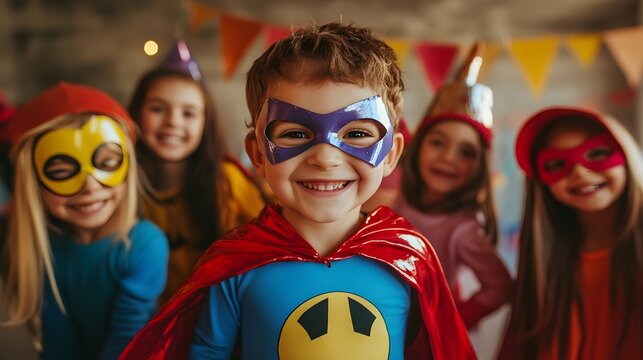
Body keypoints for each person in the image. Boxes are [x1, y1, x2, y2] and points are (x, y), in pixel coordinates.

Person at [120, 22, 475, 360]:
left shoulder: (409, 259)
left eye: (356, 134)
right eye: (294, 133)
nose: (324, 158)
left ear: (391, 154)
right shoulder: (235, 266)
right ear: (258, 154)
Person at [0, 82, 169, 359]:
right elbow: (59, 345)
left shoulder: (144, 244)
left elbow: (127, 341)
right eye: (62, 170)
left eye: (108, 163)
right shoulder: (49, 255)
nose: (90, 186)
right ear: (33, 184)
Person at [127, 40, 268, 303]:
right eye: (158, 109)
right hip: (146, 319)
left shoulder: (228, 181)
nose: (173, 122)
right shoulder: (122, 185)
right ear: (136, 114)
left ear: (206, 122)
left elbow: (265, 250)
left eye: (188, 113)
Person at [498, 107, 643, 360]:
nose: (579, 172)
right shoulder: (542, 264)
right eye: (557, 163)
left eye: (597, 153)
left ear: (627, 155)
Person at [392, 43, 511, 330]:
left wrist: (448, 321)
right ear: (418, 147)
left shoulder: (463, 228)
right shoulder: (398, 198)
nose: (448, 157)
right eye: (438, 142)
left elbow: (500, 287)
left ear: (478, 168)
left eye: (466, 152)